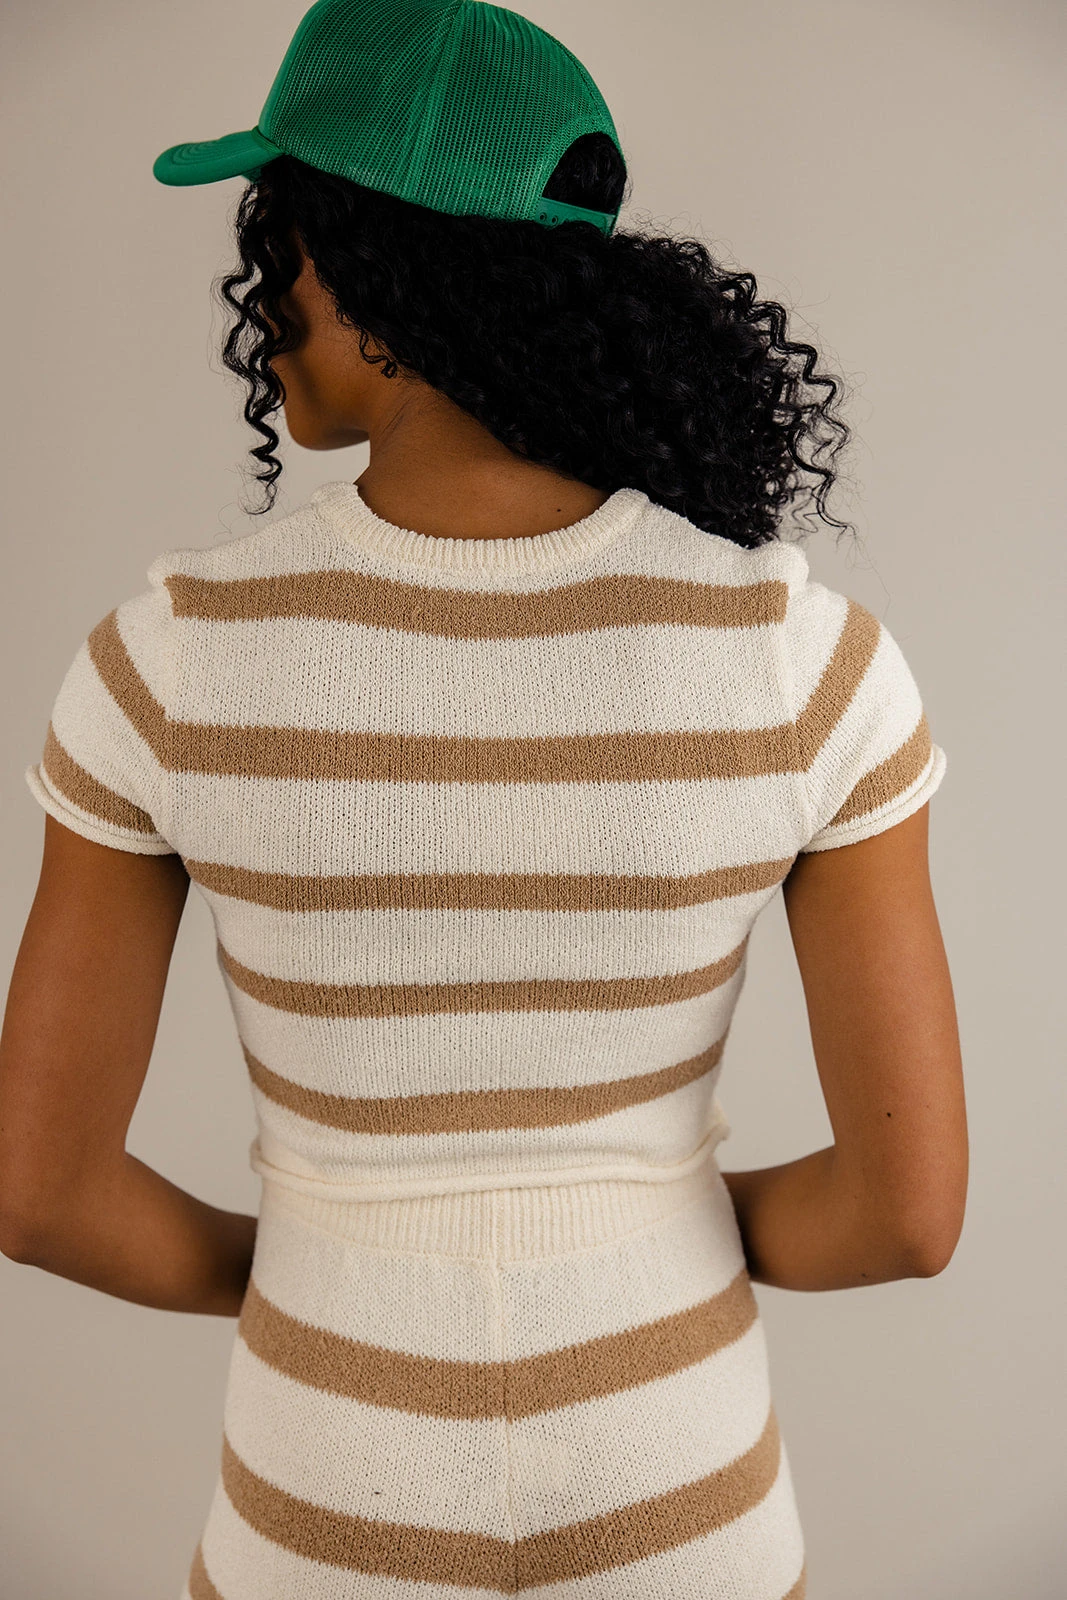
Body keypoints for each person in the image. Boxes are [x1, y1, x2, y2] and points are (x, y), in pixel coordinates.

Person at [0, 1, 967, 1596]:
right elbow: (903, 1216)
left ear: (347, 266)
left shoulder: (166, 662)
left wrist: (339, 1262)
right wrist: (637, 1228)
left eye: (273, 241)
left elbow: (39, 1197)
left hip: (321, 1497)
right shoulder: (799, 659)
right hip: (685, 1502)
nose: (262, 300)